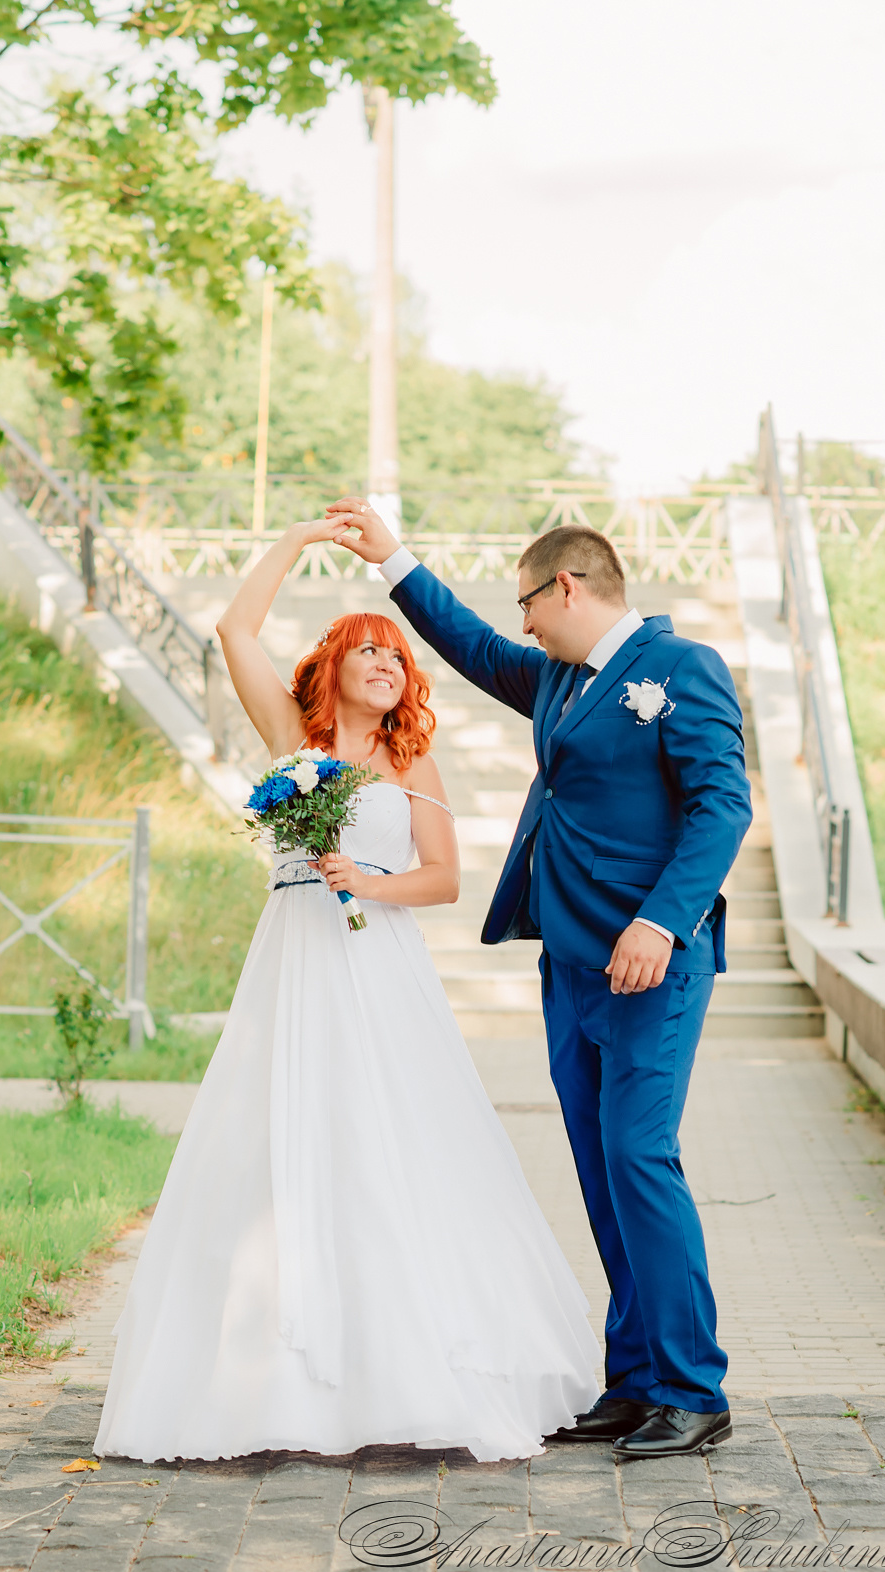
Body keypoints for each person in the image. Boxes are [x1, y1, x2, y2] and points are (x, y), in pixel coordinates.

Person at [93, 514, 601, 1466]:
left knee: (394, 1143)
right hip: (294, 959)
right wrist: (294, 541)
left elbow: (445, 878)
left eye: (395, 655)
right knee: (283, 1138)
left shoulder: (413, 762)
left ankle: (412, 1366)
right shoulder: (292, 738)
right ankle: (273, 1371)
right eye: (364, 650)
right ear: (331, 670)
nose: (383, 663)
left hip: (380, 966)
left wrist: (369, 881)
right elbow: (236, 634)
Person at [327, 503, 753, 1462]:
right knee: (603, 1174)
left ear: (567, 585)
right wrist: (392, 558)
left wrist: (659, 919)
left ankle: (695, 1387)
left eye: (529, 603)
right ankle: (636, 1378)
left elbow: (723, 806)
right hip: (570, 962)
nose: (521, 624)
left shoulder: (684, 671)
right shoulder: (558, 678)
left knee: (643, 1161)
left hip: (651, 959)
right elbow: (473, 646)